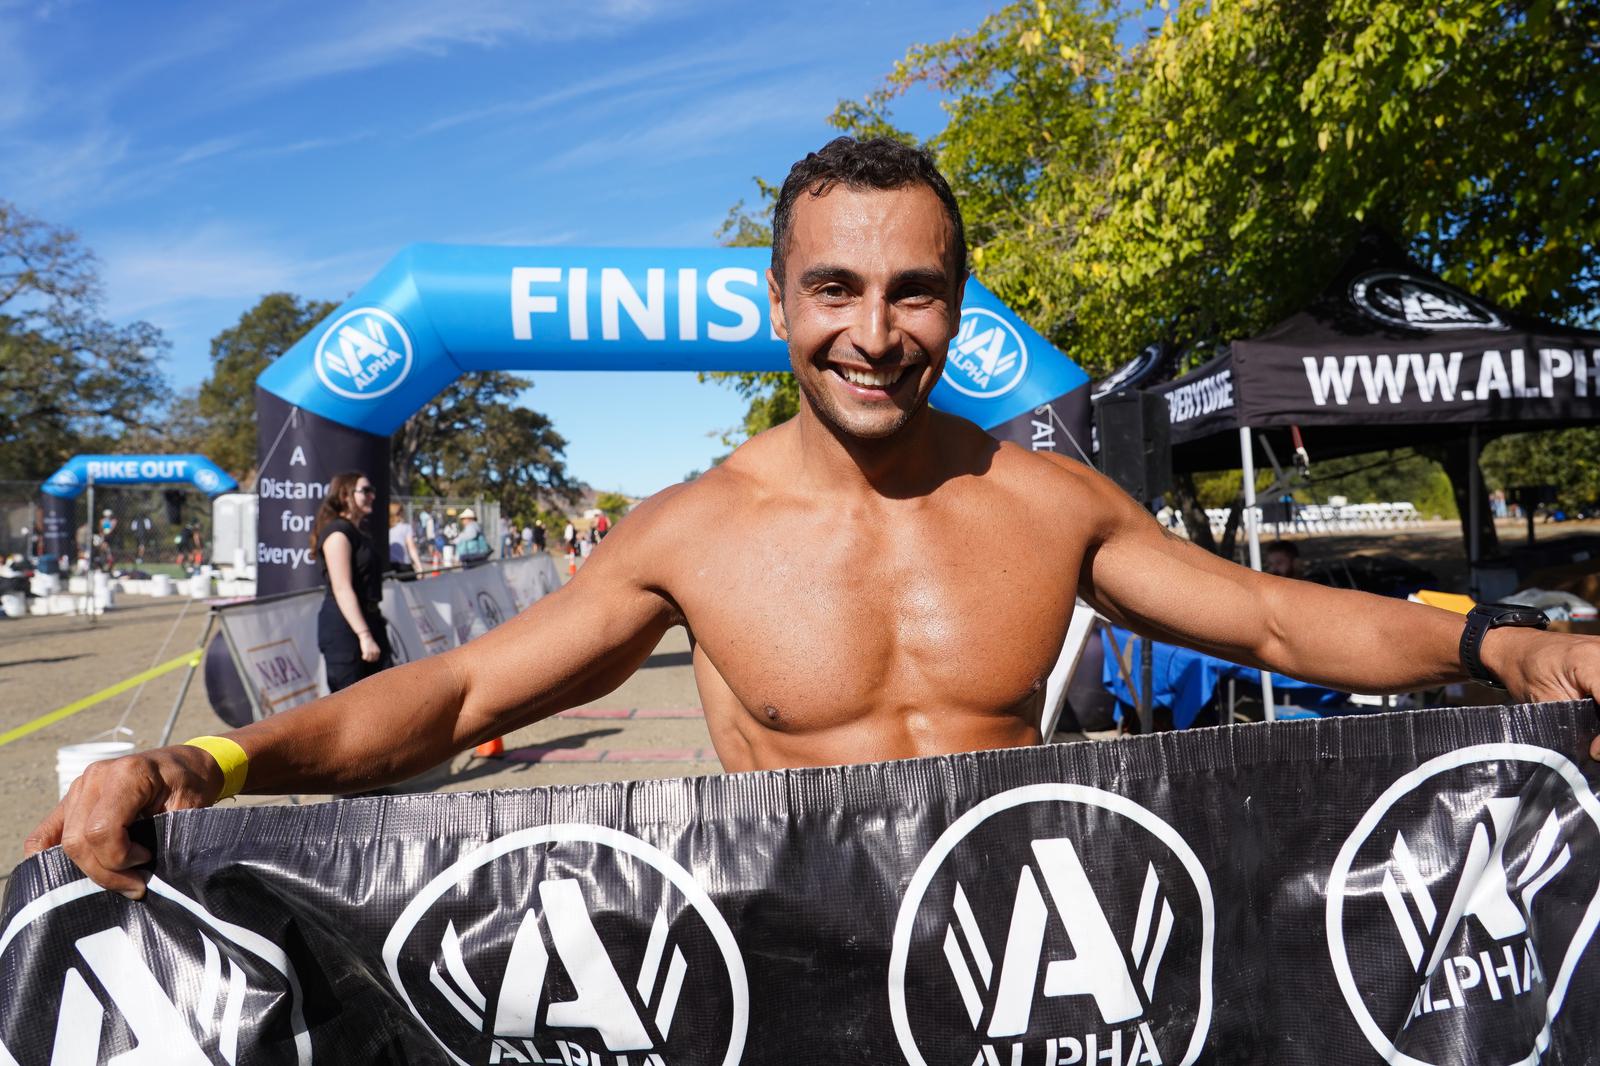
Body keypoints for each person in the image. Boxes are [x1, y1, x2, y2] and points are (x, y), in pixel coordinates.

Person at [30, 137, 1600, 897]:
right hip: (791, 978)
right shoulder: (691, 530)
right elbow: (458, 692)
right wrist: (206, 757)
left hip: (1030, 964)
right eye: (835, 286)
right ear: (778, 303)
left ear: (955, 304)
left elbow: (1264, 614)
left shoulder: (1046, 498)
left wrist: (1500, 641)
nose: (874, 327)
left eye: (913, 288)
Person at [311, 472, 392, 693]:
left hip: (369, 621)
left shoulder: (358, 532)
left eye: (372, 491)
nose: (372, 496)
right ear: (346, 495)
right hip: (346, 632)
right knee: (351, 706)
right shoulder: (338, 533)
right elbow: (342, 588)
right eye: (365, 491)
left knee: (383, 699)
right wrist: (364, 635)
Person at [388, 502, 424, 574]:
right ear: (400, 513)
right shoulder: (406, 527)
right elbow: (411, 548)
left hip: (388, 566)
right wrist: (419, 566)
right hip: (403, 565)